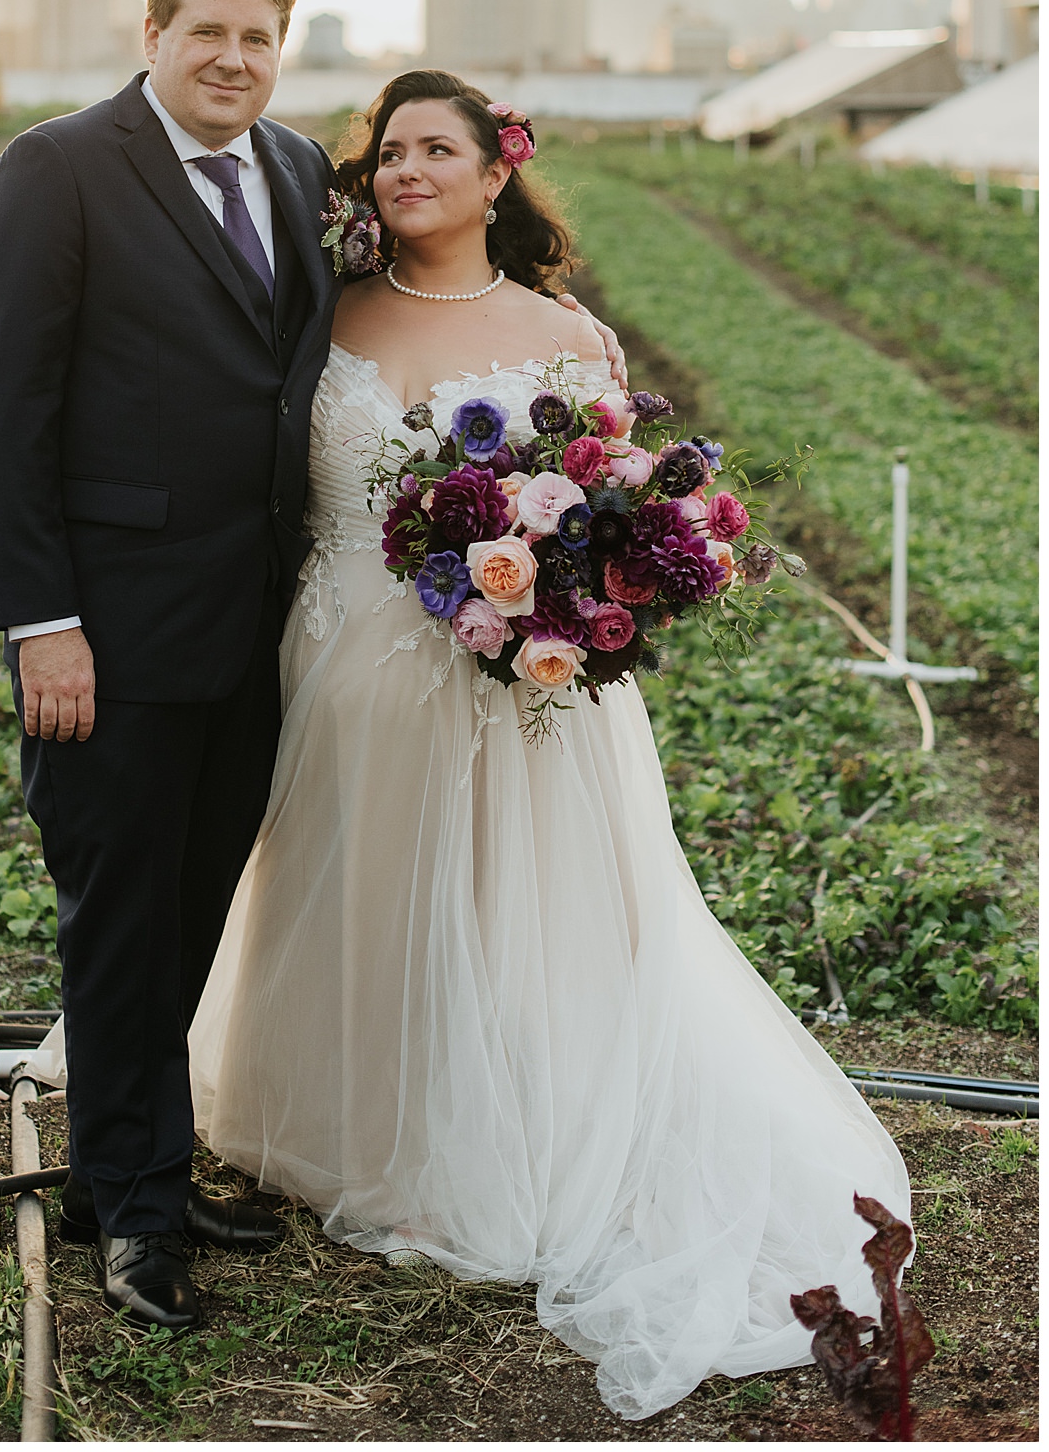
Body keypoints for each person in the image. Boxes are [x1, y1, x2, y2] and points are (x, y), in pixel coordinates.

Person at [182, 70, 912, 1421]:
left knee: (520, 912)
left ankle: (512, 1137)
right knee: (358, 900)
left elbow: (617, 510)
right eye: (386, 152)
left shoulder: (564, 338)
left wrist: (572, 595)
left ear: (492, 172)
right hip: (336, 656)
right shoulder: (319, 320)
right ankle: (355, 1131)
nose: (403, 170)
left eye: (433, 149)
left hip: (514, 672)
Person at [0, 0, 624, 1335]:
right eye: (207, 34)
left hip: (264, 629)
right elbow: (3, 411)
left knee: (197, 899)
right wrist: (43, 623)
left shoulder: (288, 176)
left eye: (258, 40)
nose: (232, 61)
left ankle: (119, 1167)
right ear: (151, 31)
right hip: (113, 632)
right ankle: (137, 1217)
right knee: (119, 910)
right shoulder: (59, 169)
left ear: (282, 48)